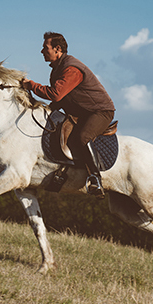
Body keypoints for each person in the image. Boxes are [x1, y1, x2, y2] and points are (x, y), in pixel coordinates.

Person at [21, 32, 115, 198]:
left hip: (99, 112)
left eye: (45, 48)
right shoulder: (57, 70)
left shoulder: (71, 69)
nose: (42, 51)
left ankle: (95, 178)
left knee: (82, 138)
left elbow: (56, 94)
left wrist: (32, 86)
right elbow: (61, 100)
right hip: (82, 113)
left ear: (57, 49)